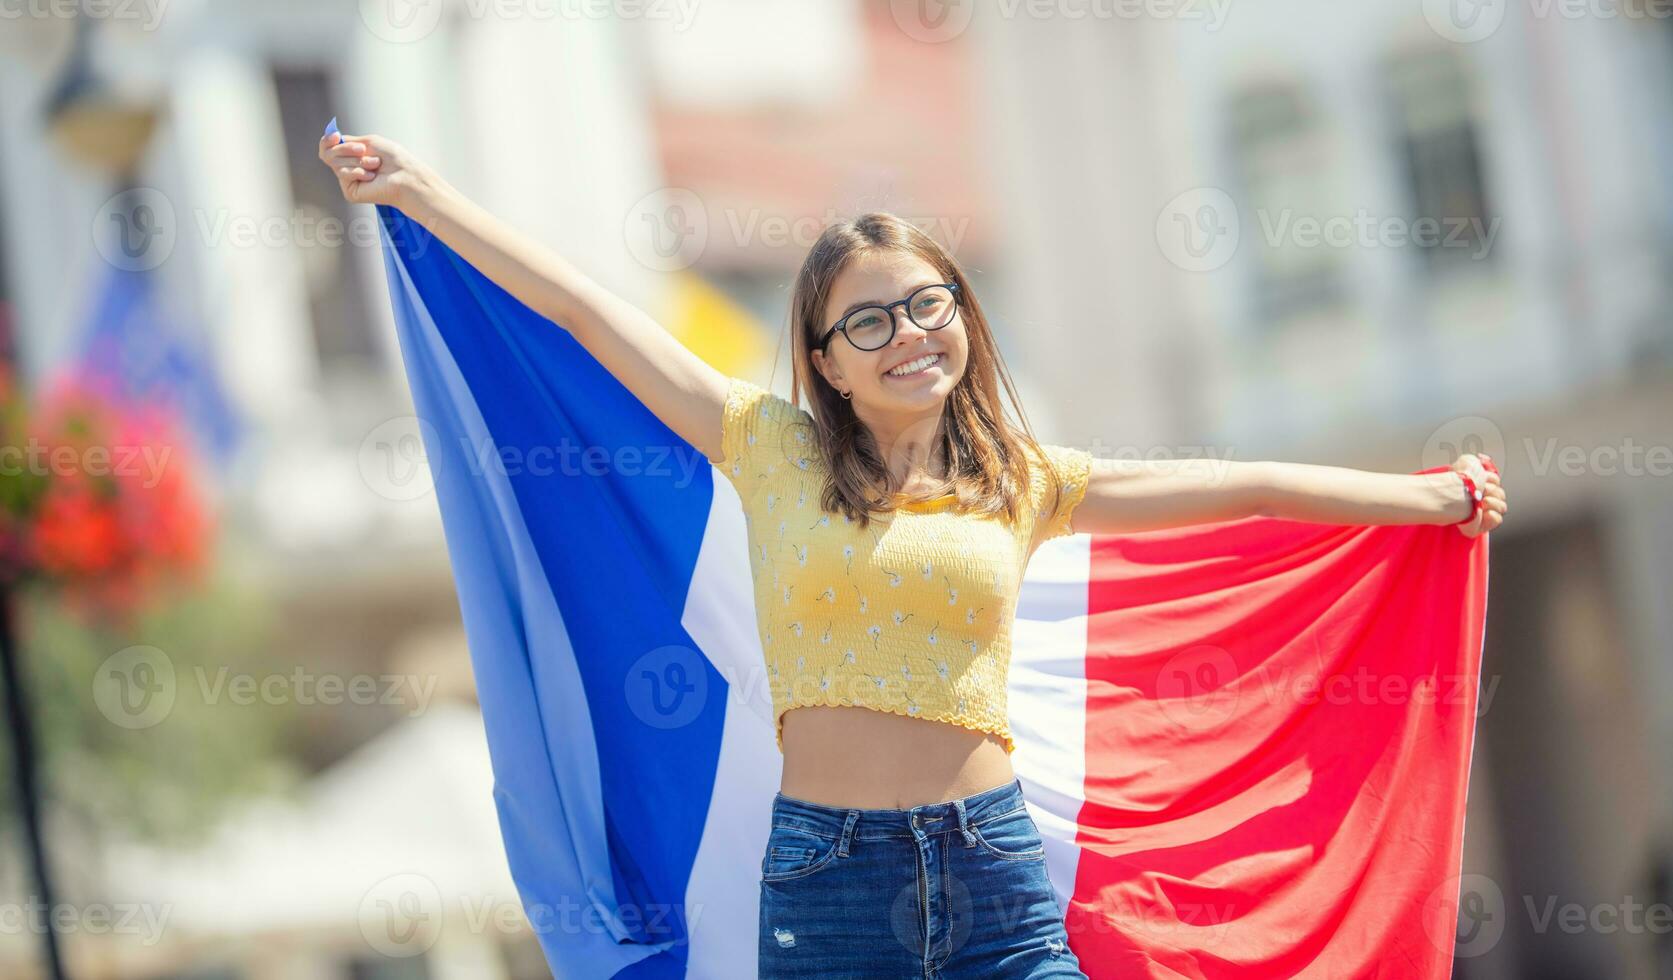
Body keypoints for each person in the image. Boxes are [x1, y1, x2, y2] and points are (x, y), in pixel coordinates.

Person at [319, 129, 1507, 978]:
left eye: (926, 304)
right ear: (825, 359)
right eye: (867, 321)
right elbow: (583, 311)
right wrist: (425, 197)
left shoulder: (1021, 481)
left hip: (993, 870)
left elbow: (1233, 484)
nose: (906, 335)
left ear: (961, 316)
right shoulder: (764, 443)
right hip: (827, 878)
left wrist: (1421, 498)